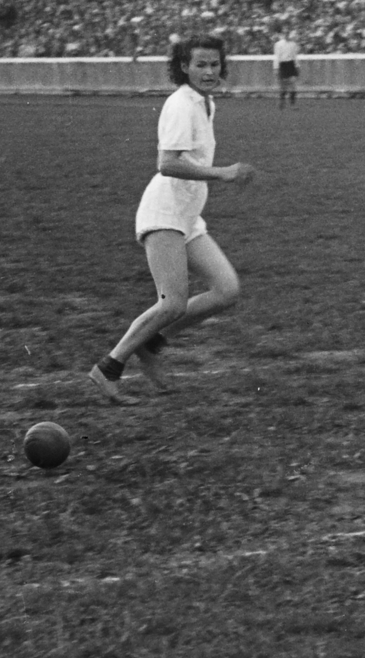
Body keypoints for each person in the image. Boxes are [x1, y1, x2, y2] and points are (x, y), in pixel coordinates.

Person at [89, 35, 256, 404]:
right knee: (172, 303)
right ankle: (110, 366)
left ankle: (153, 343)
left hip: (187, 216)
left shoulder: (204, 103)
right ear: (184, 67)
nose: (209, 71)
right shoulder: (181, 104)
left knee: (226, 290)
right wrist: (223, 173)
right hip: (164, 213)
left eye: (214, 64)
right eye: (200, 64)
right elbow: (166, 163)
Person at [273, 28, 300, 109]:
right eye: (285, 33)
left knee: (293, 83)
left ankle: (293, 104)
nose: (286, 35)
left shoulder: (293, 44)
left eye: (288, 33)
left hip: (291, 64)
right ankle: (282, 101)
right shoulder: (278, 44)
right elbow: (277, 56)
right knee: (283, 85)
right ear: (282, 35)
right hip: (283, 64)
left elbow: (295, 56)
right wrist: (276, 68)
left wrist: (297, 66)